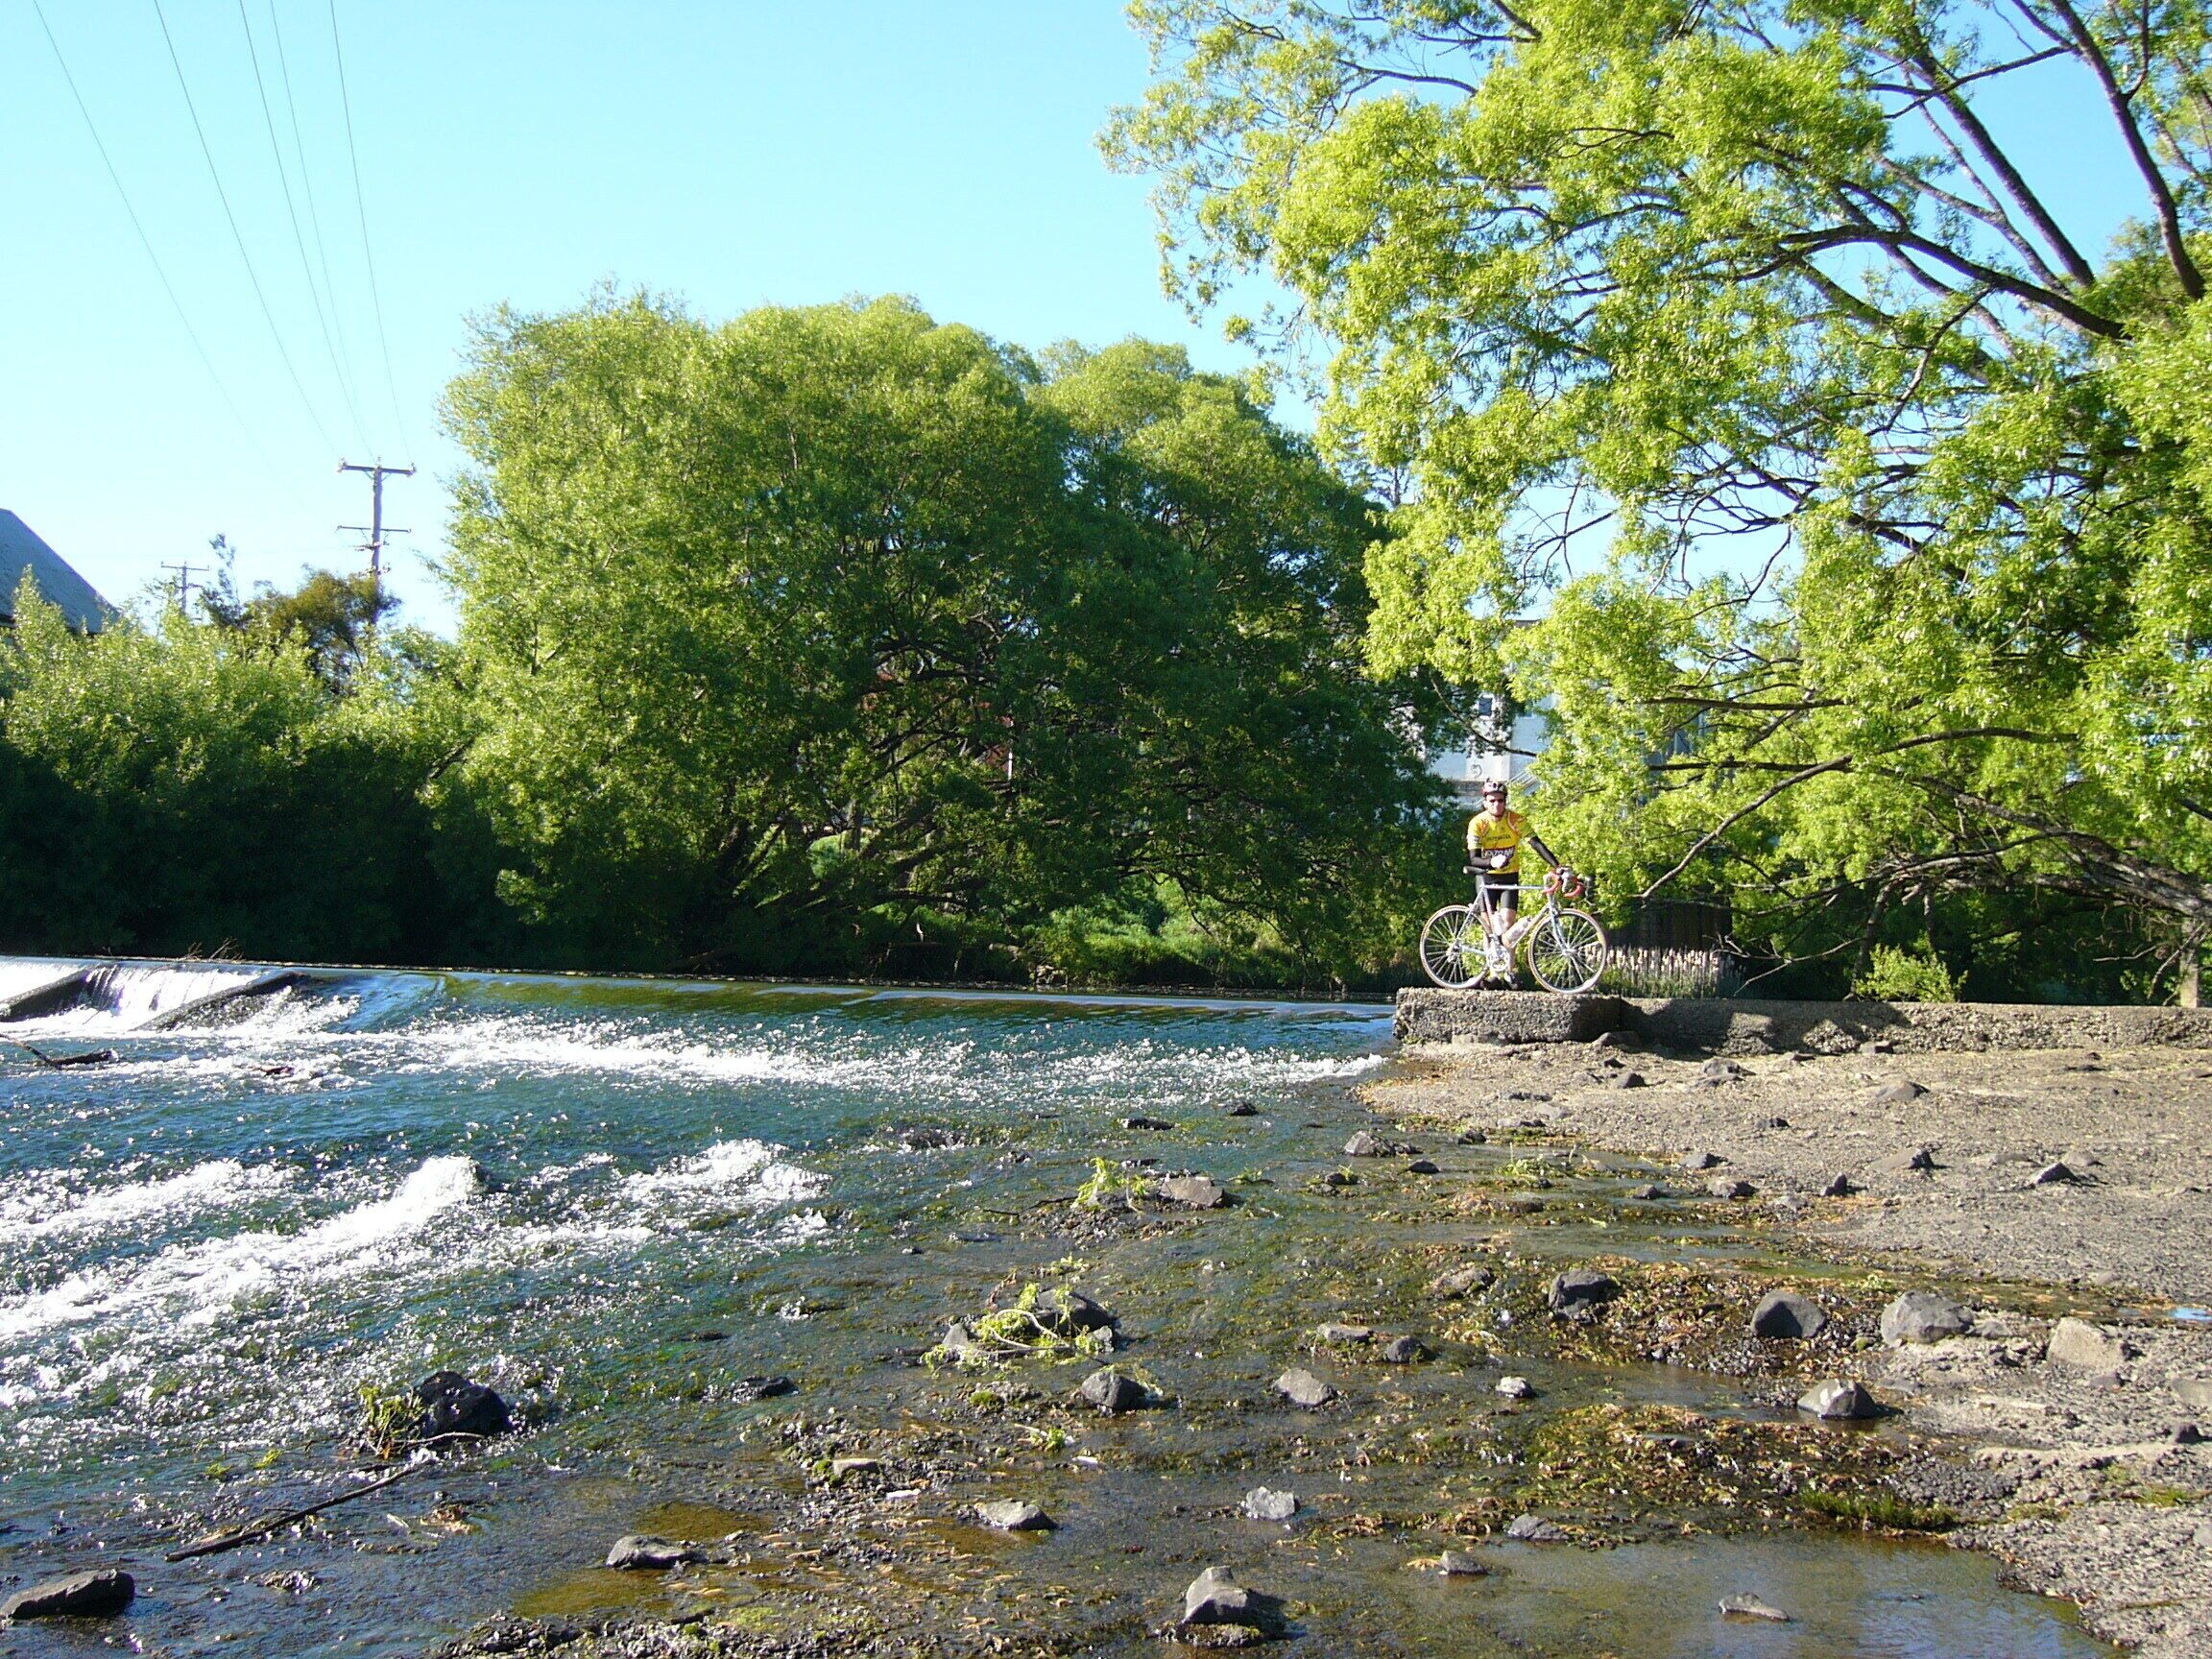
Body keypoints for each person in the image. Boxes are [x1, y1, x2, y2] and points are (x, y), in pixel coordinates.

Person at [1465, 781, 1559, 969]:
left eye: (1500, 800)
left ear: (1505, 801)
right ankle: (1491, 973)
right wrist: (1491, 862)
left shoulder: (1516, 820)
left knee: (1508, 925)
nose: (1496, 804)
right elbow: (1474, 859)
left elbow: (1536, 843)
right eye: (1492, 801)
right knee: (1489, 927)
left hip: (1510, 876)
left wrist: (1557, 866)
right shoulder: (1478, 823)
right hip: (1486, 877)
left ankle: (1509, 971)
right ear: (1485, 802)